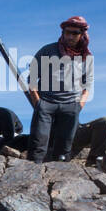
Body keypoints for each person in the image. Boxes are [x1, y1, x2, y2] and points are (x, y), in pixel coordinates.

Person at [25, 16, 94, 162]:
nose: (69, 36)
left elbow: (87, 84)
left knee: (64, 147)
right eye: (67, 32)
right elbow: (32, 77)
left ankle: (59, 180)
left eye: (74, 33)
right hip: (46, 103)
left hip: (71, 105)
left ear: (82, 34)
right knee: (38, 144)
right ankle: (31, 180)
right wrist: (38, 103)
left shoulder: (86, 56)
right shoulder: (48, 50)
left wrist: (79, 104)